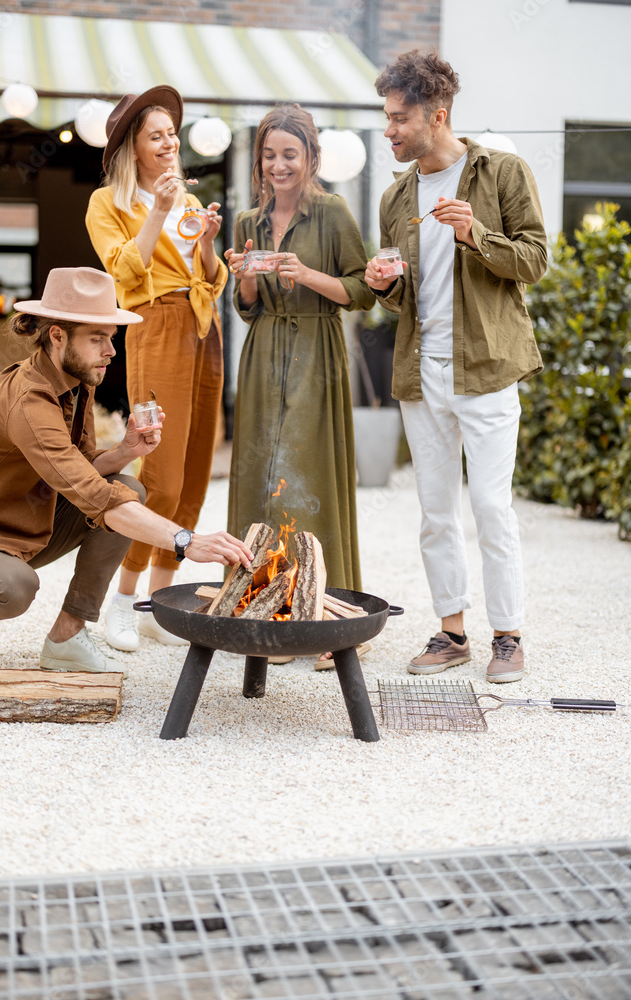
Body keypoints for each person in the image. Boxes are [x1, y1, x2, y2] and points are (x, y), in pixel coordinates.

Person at [0, 268, 252, 680]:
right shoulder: (29, 399)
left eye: (111, 338)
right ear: (58, 336)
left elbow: (81, 471)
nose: (111, 351)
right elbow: (92, 496)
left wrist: (124, 451)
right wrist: (187, 541)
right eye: (97, 339)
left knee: (127, 486)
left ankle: (67, 637)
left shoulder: (76, 380)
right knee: (14, 587)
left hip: (20, 525)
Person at [365, 50, 547, 683]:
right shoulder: (397, 196)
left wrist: (477, 236)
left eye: (398, 118)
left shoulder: (501, 173)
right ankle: (451, 632)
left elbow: (535, 261)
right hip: (423, 371)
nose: (389, 129)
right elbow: (401, 293)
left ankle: (507, 635)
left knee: (493, 508)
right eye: (386, 117)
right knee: (435, 512)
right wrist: (384, 283)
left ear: (437, 115)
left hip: (488, 367)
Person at [224, 104, 375, 665]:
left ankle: (325, 615)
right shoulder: (247, 222)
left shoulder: (333, 212)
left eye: (290, 154)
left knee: (311, 475)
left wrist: (306, 273)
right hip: (264, 353)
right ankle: (268, 612)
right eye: (269, 155)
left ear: (311, 157)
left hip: (317, 350)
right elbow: (248, 311)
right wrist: (244, 284)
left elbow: (361, 291)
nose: (278, 165)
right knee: (264, 480)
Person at [86, 85, 227, 653]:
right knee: (158, 471)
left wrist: (211, 245)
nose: (170, 144)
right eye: (157, 136)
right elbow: (123, 275)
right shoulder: (107, 202)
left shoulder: (189, 202)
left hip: (203, 324)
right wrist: (161, 209)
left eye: (172, 134)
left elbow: (208, 274)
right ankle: (121, 601)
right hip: (156, 325)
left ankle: (154, 606)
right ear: (134, 148)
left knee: (195, 468)